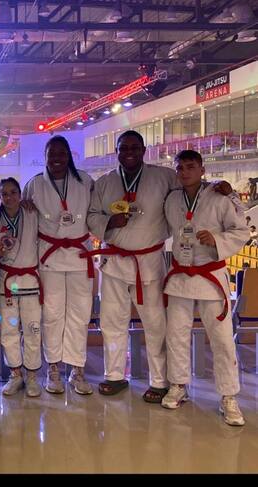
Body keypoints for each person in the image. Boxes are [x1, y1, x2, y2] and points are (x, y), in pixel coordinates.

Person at [85, 131, 234, 403]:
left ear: (144, 150)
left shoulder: (164, 176)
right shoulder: (105, 182)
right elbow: (92, 215)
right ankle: (114, 375)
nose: (129, 152)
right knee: (111, 322)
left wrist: (218, 184)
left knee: (156, 324)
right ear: (116, 152)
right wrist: (108, 222)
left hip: (149, 262)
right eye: (123, 148)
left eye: (134, 147)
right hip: (114, 262)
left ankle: (160, 380)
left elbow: (192, 187)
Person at [161, 150, 248, 426]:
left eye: (190, 167)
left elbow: (241, 231)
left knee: (222, 338)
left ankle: (228, 395)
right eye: (180, 168)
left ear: (202, 169)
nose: (185, 172)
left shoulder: (220, 196)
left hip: (210, 274)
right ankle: (178, 385)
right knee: (176, 334)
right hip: (180, 275)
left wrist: (217, 240)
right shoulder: (172, 199)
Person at [23, 135, 95, 395]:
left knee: (80, 313)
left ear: (69, 156)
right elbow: (26, 220)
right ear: (45, 157)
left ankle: (77, 369)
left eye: (61, 153)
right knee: (52, 314)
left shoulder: (85, 181)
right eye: (51, 154)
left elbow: (95, 214)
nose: (56, 158)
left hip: (79, 255)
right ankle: (53, 368)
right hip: (49, 256)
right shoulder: (34, 184)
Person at [0, 178, 43, 397]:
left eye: (13, 192)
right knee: (9, 330)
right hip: (7, 281)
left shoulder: (32, 214)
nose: (9, 197)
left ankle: (32, 376)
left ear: (20, 194)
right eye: (4, 194)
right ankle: (15, 374)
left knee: (32, 328)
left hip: (30, 279)